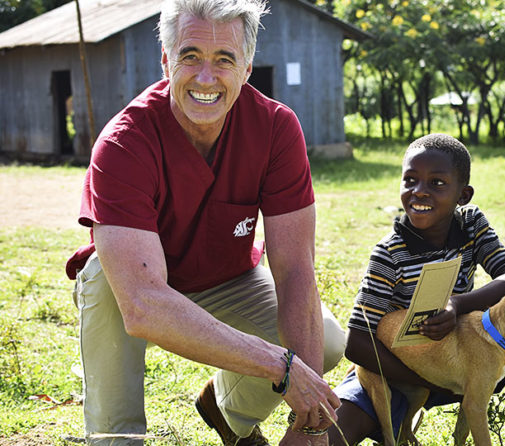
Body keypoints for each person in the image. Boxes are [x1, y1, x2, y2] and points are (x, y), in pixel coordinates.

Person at [64, 0, 345, 444]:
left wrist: (308, 425)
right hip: (138, 288)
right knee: (100, 276)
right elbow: (144, 306)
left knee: (327, 341)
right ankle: (115, 437)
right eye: (190, 56)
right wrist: (282, 366)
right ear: (166, 60)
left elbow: (294, 271)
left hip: (226, 278)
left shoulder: (275, 128)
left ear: (248, 67)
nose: (206, 77)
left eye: (224, 60)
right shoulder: (123, 142)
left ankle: (226, 409)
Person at [327, 133, 505, 446]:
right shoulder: (389, 254)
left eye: (437, 183)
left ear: (463, 195)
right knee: (326, 438)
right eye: (410, 180)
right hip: (395, 372)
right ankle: (389, 427)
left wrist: (457, 305)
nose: (419, 192)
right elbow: (357, 345)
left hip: (465, 366)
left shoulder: (471, 224)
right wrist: (425, 379)